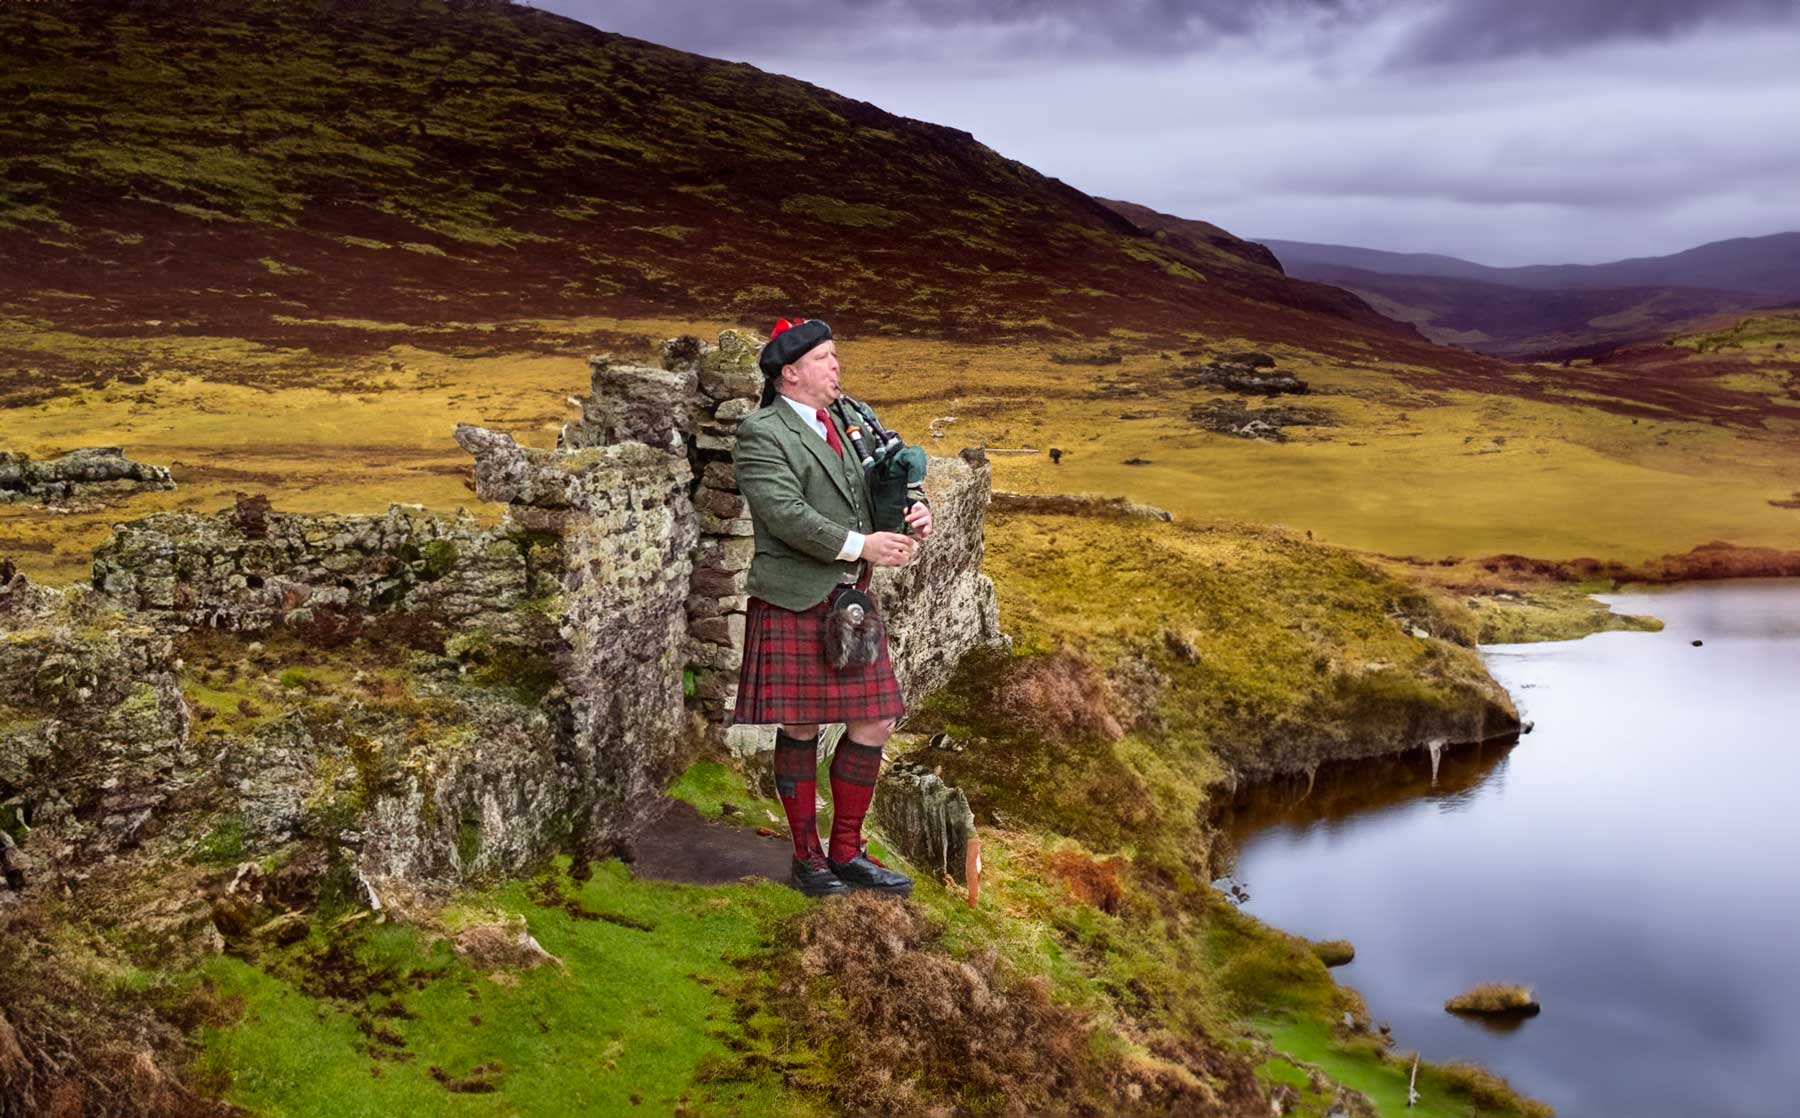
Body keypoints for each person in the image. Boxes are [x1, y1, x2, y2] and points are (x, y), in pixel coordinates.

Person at [731, 318, 932, 897]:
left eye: (835, 356)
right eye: (825, 358)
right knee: (801, 723)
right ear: (790, 373)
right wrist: (861, 545)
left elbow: (883, 477)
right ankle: (806, 856)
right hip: (795, 594)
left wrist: (914, 507)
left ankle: (847, 849)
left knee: (875, 719)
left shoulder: (852, 418)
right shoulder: (761, 433)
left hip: (850, 601)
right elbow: (783, 514)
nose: (837, 366)